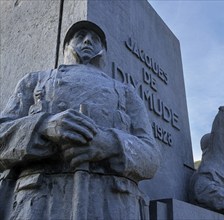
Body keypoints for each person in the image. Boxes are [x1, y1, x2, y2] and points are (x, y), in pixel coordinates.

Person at [0, 20, 160, 220]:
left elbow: (151, 157)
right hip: (38, 206)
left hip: (114, 207)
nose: (87, 41)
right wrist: (42, 126)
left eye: (95, 39)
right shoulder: (35, 81)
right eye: (80, 36)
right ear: (66, 46)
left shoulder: (126, 93)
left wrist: (110, 144)